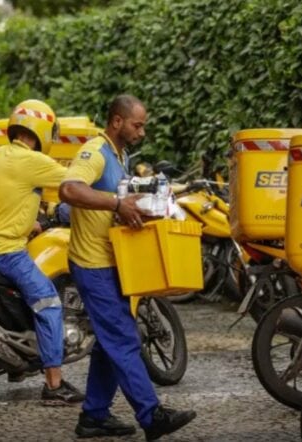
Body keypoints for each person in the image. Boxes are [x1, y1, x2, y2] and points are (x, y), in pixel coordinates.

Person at [59, 94, 196, 440]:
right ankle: (151, 416)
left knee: (110, 341)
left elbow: (116, 204)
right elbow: (69, 189)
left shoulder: (121, 157)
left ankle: (94, 416)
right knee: (122, 337)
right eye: (138, 124)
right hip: (92, 264)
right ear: (117, 121)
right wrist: (117, 203)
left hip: (112, 261)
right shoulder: (96, 152)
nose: (143, 131)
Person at [0, 99, 84, 405]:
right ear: (43, 129)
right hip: (5, 251)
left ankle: (18, 363)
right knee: (49, 304)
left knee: (28, 298)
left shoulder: (0, 155)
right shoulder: (31, 161)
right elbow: (75, 183)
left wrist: (31, 223)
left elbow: (10, 198)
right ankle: (54, 386)